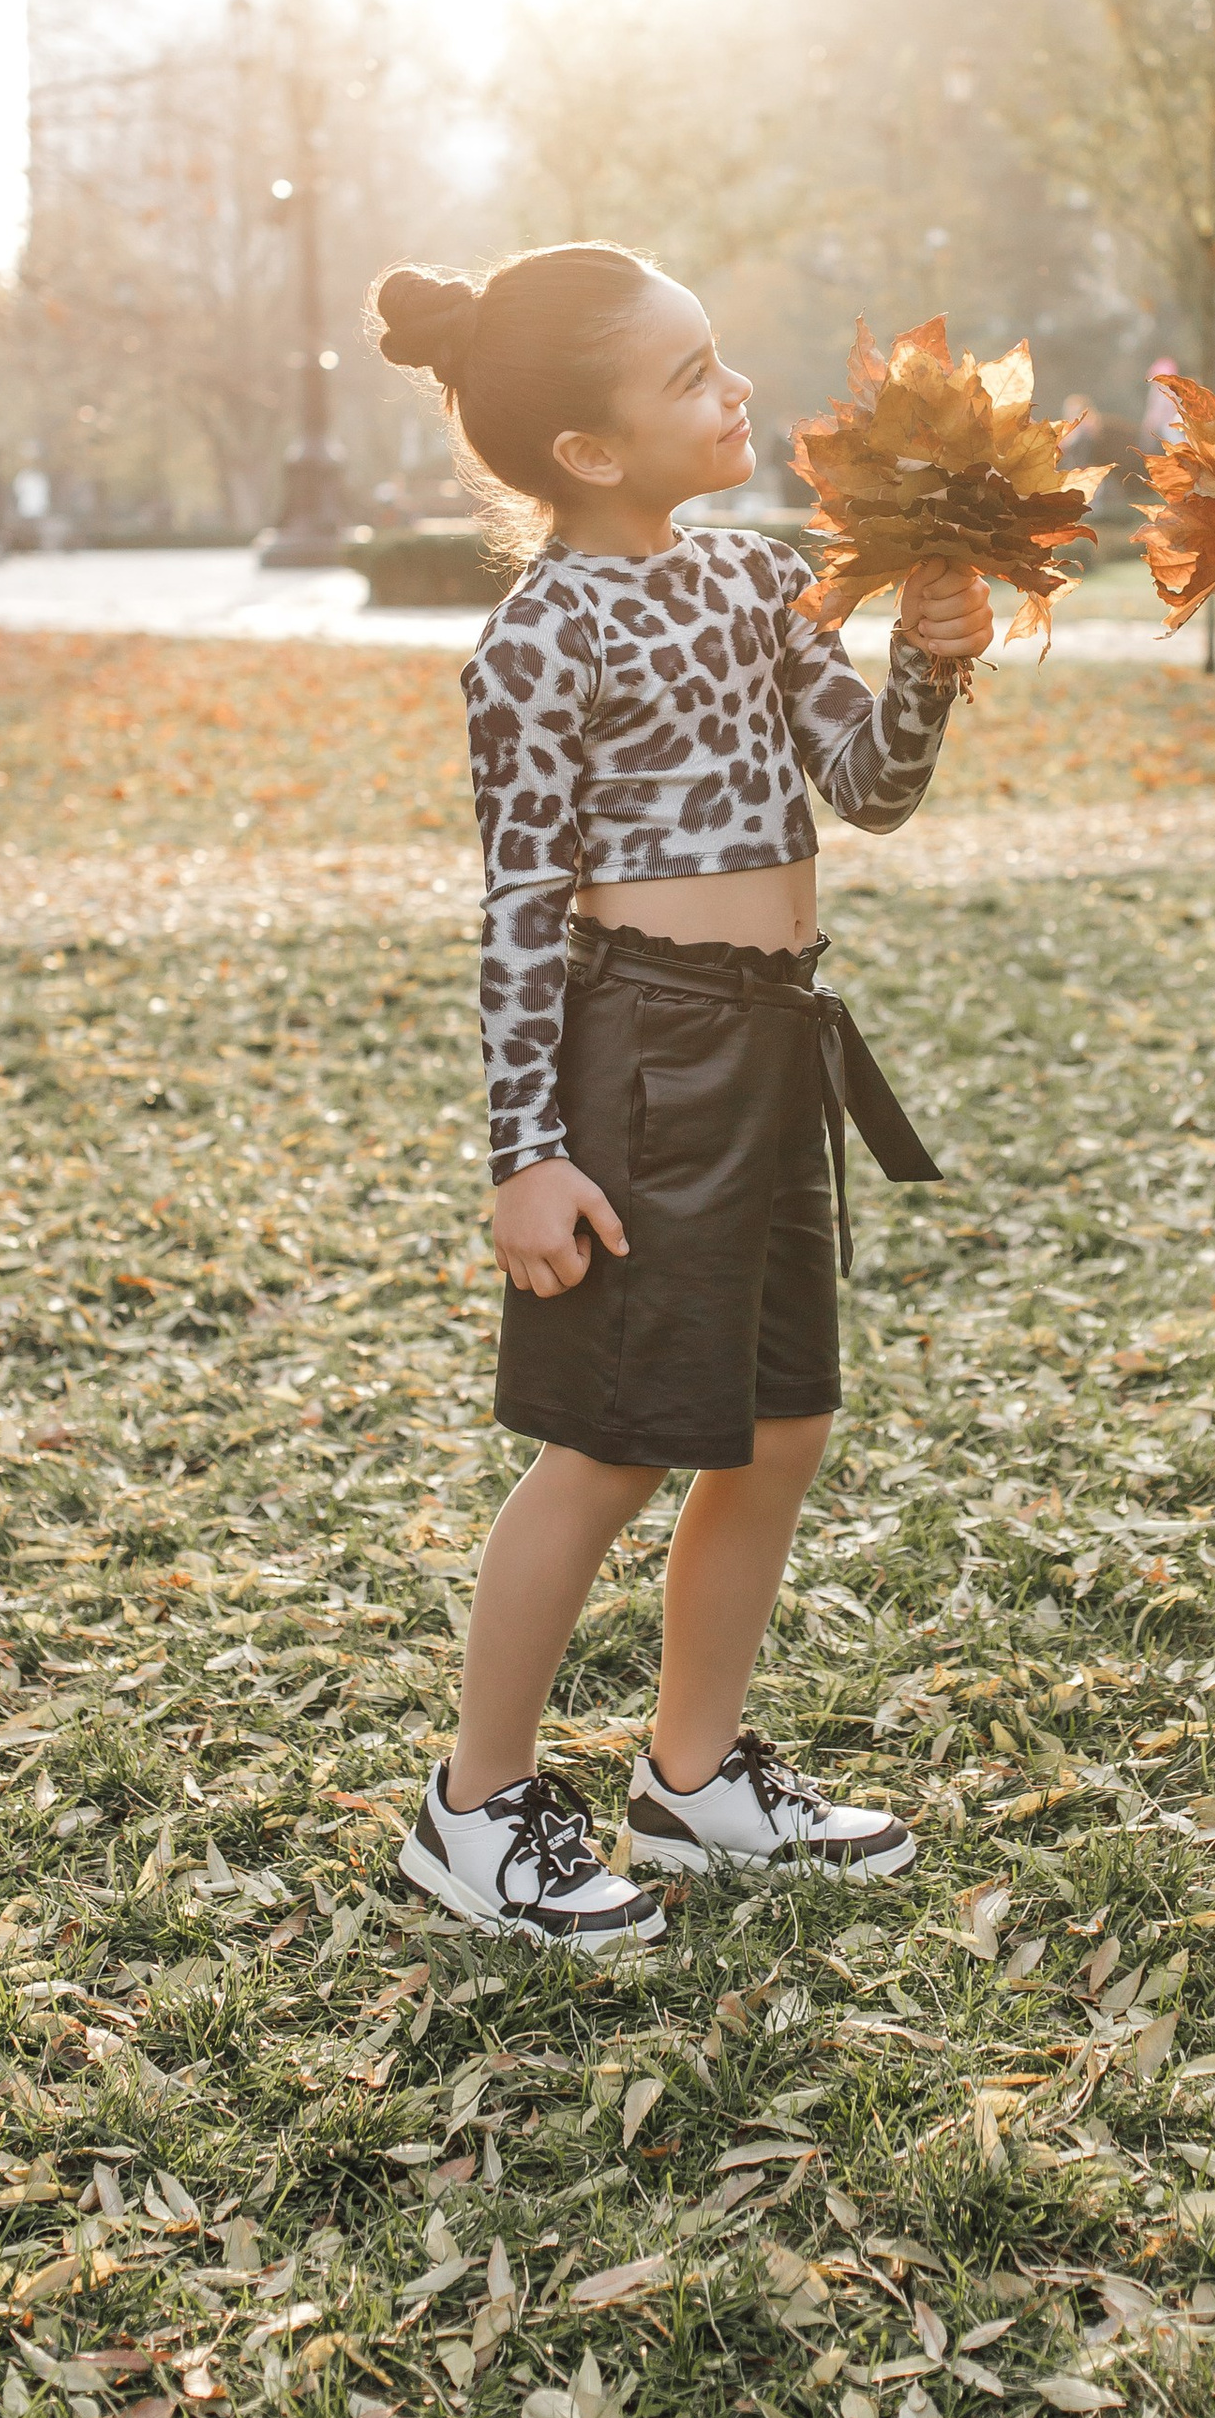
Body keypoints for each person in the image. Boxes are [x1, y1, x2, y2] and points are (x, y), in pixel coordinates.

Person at [373, 244, 992, 1952]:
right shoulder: (540, 634)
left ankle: (692, 1775)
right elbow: (515, 904)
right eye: (693, 377)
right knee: (613, 1445)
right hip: (638, 1052)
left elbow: (867, 789)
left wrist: (929, 659)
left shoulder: (754, 580)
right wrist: (525, 1154)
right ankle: (476, 1806)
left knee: (780, 1424)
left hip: (774, 1039)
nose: (736, 393)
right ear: (587, 450)